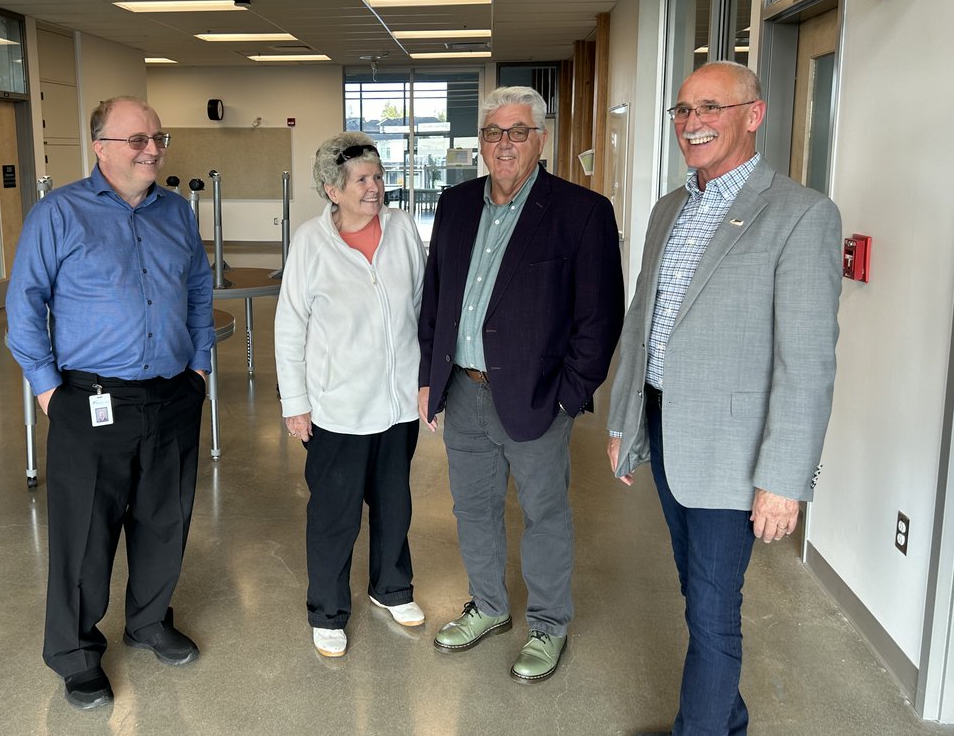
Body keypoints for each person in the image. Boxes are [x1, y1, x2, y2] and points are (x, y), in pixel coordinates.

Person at [606, 61, 841, 735]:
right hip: (664, 424)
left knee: (712, 610)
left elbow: (807, 365)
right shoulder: (668, 209)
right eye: (683, 111)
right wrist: (625, 421)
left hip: (733, 455)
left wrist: (783, 481)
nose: (693, 123)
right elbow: (642, 320)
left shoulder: (801, 216)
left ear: (754, 114)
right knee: (699, 593)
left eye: (710, 107)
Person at [6, 96, 213, 710]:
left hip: (172, 395)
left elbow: (199, 286)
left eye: (158, 137)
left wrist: (199, 364)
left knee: (165, 518)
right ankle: (74, 653)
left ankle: (149, 621)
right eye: (136, 139)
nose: (152, 148)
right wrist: (46, 385)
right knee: (85, 535)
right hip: (90, 398)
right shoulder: (58, 213)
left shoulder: (176, 212)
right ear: (100, 146)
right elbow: (24, 304)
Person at [418, 86, 623, 683]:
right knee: (473, 510)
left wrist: (568, 394)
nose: (503, 144)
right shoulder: (455, 205)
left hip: (538, 398)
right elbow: (437, 299)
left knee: (545, 515)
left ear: (541, 139)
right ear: (480, 142)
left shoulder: (581, 212)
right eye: (492, 133)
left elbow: (599, 319)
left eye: (517, 131)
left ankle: (549, 625)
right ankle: (487, 606)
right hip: (463, 390)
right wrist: (432, 377)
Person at [275, 133, 427, 658]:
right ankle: (328, 610)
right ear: (332, 189)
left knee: (394, 504)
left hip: (398, 403)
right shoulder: (311, 243)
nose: (375, 188)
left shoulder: (403, 229)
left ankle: (391, 589)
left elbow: (423, 306)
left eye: (379, 177)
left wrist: (427, 381)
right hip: (337, 407)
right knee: (334, 514)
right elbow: (290, 324)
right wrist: (295, 402)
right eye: (362, 180)